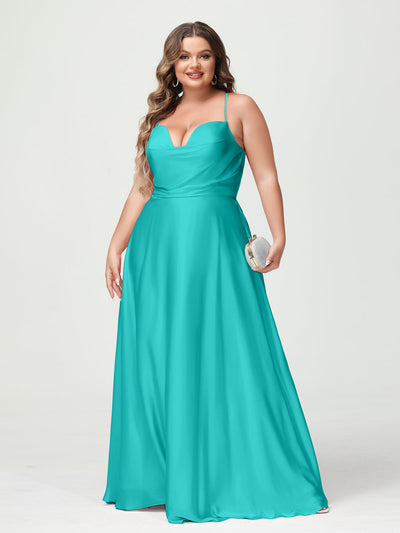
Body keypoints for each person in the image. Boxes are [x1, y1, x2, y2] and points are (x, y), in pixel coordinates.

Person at [102, 20, 329, 524]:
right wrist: (116, 246)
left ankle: (222, 473)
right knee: (158, 354)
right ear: (172, 64)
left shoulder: (239, 107)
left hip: (214, 245)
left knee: (223, 350)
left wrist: (279, 235)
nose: (194, 64)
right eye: (184, 56)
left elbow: (266, 175)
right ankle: (162, 475)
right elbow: (141, 188)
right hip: (156, 249)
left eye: (203, 55)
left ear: (217, 60)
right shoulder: (159, 116)